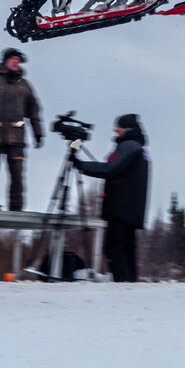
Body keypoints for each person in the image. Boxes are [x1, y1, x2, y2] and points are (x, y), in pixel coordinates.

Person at [73, 113, 151, 282]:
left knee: (114, 248)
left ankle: (123, 284)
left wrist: (81, 165)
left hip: (120, 208)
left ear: (128, 129)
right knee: (127, 249)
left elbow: (111, 169)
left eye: (119, 127)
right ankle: (130, 284)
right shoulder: (139, 149)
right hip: (132, 209)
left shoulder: (129, 146)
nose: (116, 130)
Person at [0, 48, 43, 212]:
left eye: (18, 60)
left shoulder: (24, 85)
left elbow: (34, 111)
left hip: (16, 139)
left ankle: (16, 208)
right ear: (5, 61)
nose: (16, 62)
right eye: (13, 59)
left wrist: (38, 133)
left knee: (17, 176)